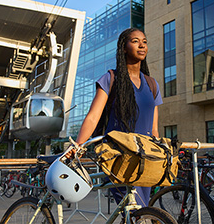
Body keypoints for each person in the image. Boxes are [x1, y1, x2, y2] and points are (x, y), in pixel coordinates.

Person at [69, 28, 163, 207]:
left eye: (144, 41)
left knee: (141, 211)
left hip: (145, 160)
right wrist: (78, 146)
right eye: (135, 41)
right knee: (135, 211)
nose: (142, 45)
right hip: (119, 159)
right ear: (124, 47)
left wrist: (159, 154)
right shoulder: (110, 79)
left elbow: (154, 129)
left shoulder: (152, 84)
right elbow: (93, 117)